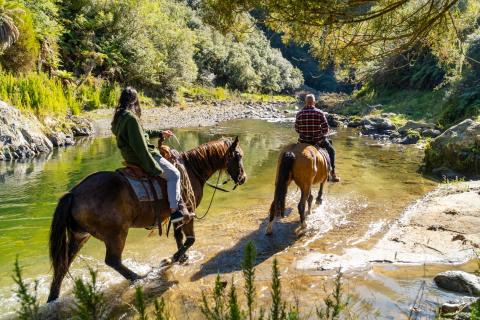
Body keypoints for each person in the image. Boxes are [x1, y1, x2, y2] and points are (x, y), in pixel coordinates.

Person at [111, 86, 192, 223]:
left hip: (129, 157)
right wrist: (152, 167)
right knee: (174, 175)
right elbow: (141, 147)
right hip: (142, 157)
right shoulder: (131, 119)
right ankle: (175, 211)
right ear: (134, 100)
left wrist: (159, 133)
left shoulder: (119, 117)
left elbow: (141, 133)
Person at [294, 94, 340, 182]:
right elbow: (326, 129)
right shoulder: (319, 112)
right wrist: (321, 134)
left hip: (303, 141)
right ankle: (333, 174)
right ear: (314, 102)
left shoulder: (299, 114)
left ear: (305, 102)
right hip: (318, 141)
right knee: (331, 150)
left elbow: (297, 129)